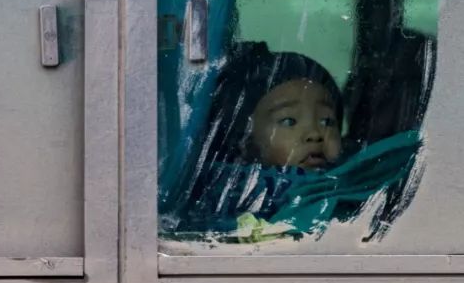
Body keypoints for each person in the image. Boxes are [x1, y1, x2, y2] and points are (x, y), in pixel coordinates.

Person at [163, 41, 422, 244]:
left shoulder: (355, 183)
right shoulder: (228, 194)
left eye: (327, 121)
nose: (314, 134)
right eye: (289, 121)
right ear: (243, 140)